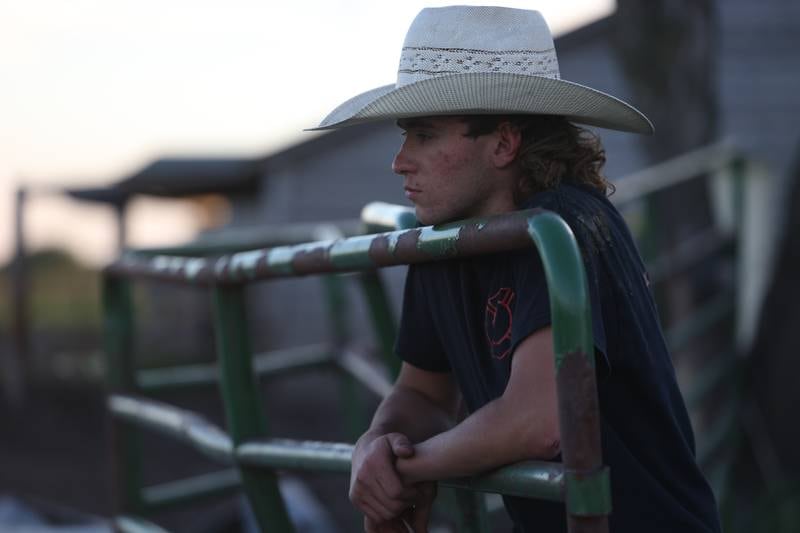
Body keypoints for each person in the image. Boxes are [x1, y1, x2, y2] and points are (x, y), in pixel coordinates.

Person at [312, 6, 721, 533]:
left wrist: (403, 470)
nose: (400, 160)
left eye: (425, 135)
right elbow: (422, 394)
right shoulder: (443, 240)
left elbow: (537, 421)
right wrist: (375, 444)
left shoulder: (565, 227)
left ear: (505, 142)